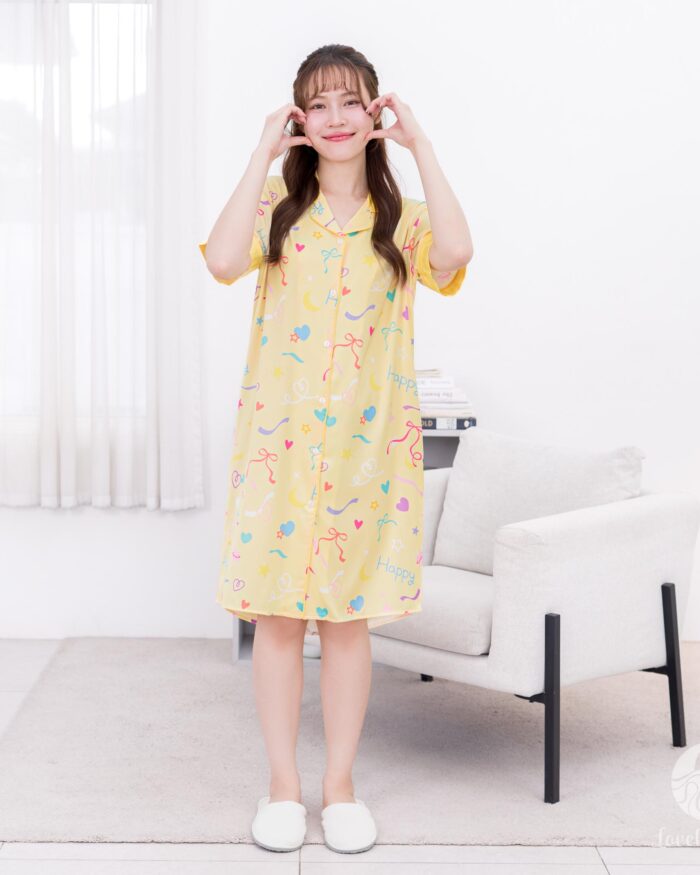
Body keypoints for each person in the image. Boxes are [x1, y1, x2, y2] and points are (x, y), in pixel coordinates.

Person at [199, 44, 473, 854]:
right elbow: (222, 260)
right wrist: (260, 155)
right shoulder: (279, 208)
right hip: (279, 453)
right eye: (317, 104)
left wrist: (422, 146)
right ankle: (284, 787)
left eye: (351, 101)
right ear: (299, 119)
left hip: (366, 457)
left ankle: (340, 787)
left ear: (376, 113)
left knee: (348, 623)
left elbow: (456, 254)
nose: (336, 118)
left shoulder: (403, 221)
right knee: (280, 619)